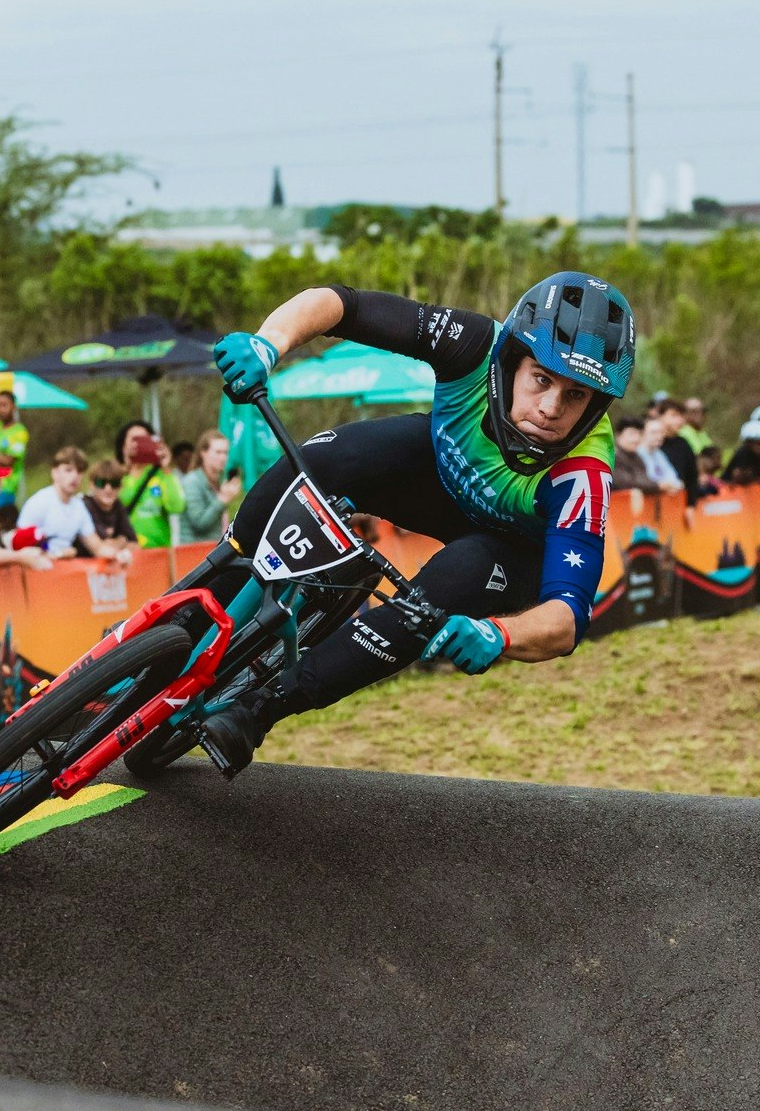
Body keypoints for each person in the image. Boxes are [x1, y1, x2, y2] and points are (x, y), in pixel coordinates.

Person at [195, 273, 629, 772]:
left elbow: (567, 619)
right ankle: (198, 603)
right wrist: (268, 344)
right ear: (511, 359)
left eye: (575, 397)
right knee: (321, 459)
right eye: (541, 379)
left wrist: (499, 636)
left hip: (503, 550)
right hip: (435, 474)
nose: (551, 408)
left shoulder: (585, 475)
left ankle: (261, 709)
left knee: (434, 597)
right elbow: (341, 305)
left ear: (596, 405)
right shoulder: (473, 344)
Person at [19, 446, 130, 563]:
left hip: (61, 575)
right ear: (55, 473)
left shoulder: (79, 507)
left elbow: (97, 547)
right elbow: (19, 545)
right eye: (68, 470)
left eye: (79, 471)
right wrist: (55, 554)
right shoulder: (39, 502)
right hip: (37, 573)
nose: (75, 476)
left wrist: (118, 555)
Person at [114, 420, 185, 548]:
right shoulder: (116, 476)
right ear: (123, 445)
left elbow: (177, 506)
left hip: (157, 554)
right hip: (125, 553)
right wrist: (126, 465)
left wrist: (165, 468)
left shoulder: (161, 475)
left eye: (143, 439)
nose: (138, 443)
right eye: (133, 439)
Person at [178, 429, 241, 540]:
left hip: (212, 548)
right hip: (193, 552)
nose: (223, 458)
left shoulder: (217, 479)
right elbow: (199, 523)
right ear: (203, 453)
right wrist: (223, 500)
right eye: (218, 452)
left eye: (226, 452)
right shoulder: (192, 481)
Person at [84, 458, 139, 552]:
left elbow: (134, 545)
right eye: (101, 483)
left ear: (121, 487)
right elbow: (101, 545)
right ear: (91, 485)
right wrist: (122, 540)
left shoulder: (118, 506)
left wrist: (121, 541)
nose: (108, 489)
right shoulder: (83, 506)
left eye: (114, 483)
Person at [721, 420, 760, 487]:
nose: (759, 446)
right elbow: (738, 477)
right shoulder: (742, 454)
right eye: (756, 443)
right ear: (748, 442)